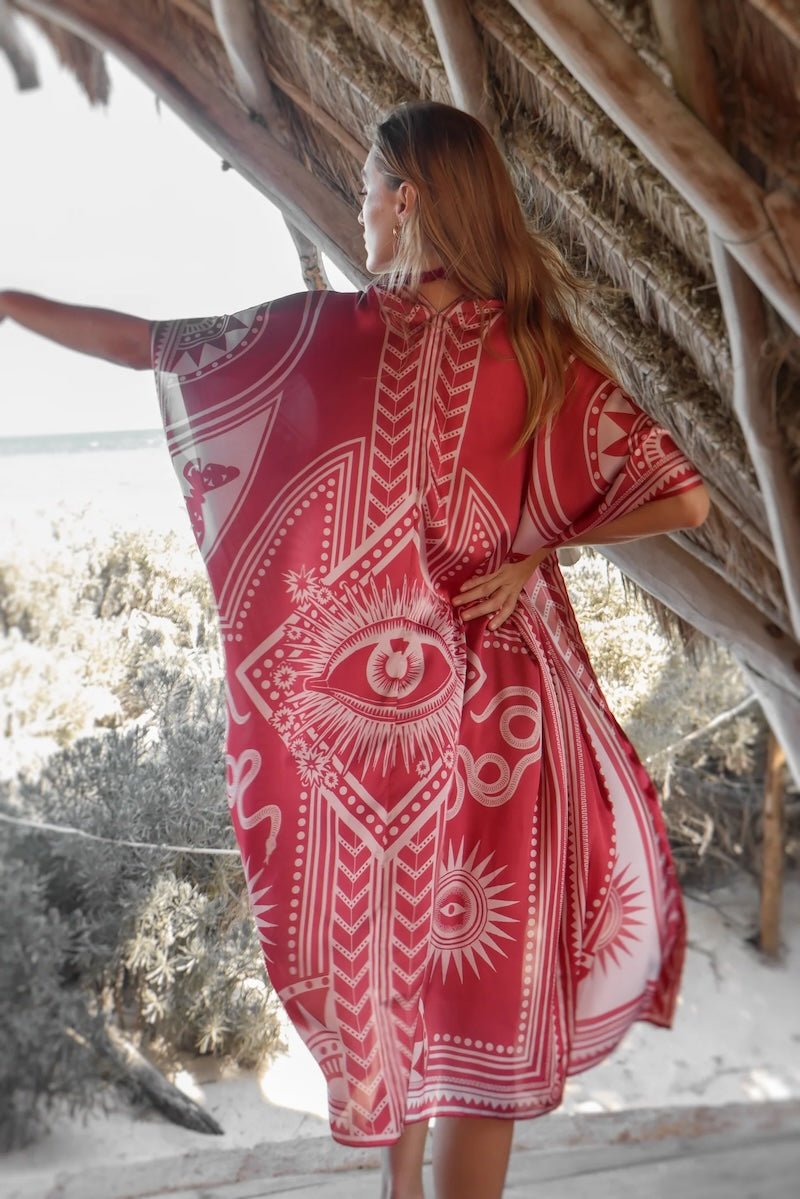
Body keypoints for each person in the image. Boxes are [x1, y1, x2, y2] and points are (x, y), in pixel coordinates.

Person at [1, 100, 708, 1199]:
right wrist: (539, 549)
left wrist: (4, 299)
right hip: (510, 718)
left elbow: (144, 342)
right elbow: (683, 497)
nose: (361, 207)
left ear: (406, 196)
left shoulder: (319, 338)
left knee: (392, 972)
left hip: (379, 729)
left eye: (367, 186)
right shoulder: (535, 343)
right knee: (480, 1013)